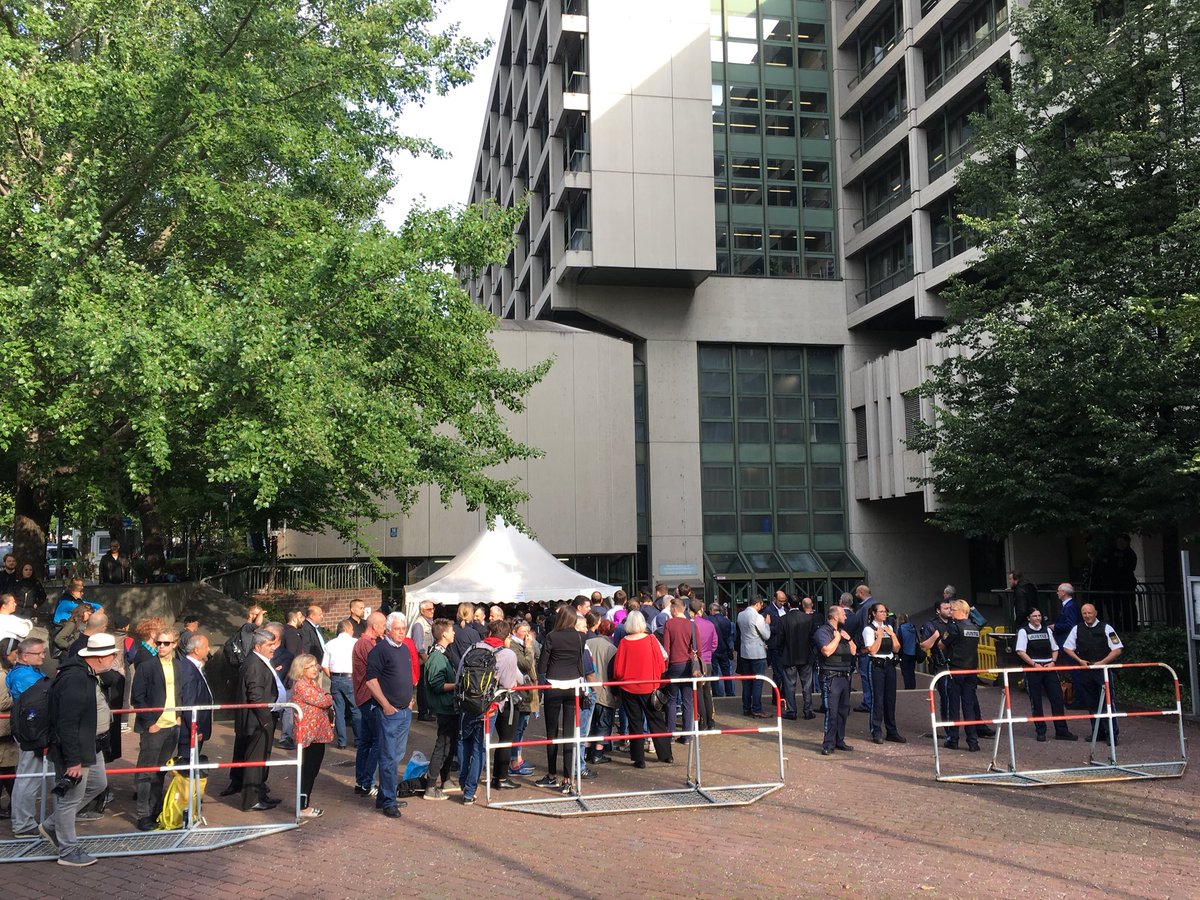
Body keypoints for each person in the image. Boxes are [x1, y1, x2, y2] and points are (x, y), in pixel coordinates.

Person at [39, 633, 119, 866]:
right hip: (77, 749)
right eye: (112, 655)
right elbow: (67, 723)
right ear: (101, 657)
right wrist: (73, 760)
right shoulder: (75, 678)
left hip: (91, 744)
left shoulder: (86, 673)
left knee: (98, 784)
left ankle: (52, 826)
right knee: (70, 798)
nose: (114, 659)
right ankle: (67, 850)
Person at [458, 619, 525, 802]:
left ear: (489, 633)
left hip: (466, 703)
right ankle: (469, 792)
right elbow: (508, 685)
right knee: (479, 748)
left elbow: (459, 676)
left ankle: (464, 782)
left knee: (464, 742)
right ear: (507, 636)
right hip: (489, 707)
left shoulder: (473, 648)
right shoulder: (508, 654)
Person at [131, 627, 185, 830]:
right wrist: (150, 724)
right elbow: (137, 698)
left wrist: (178, 716)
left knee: (161, 771)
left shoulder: (178, 665)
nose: (161, 646)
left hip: (172, 725)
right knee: (146, 771)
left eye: (166, 643)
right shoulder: (146, 666)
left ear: (174, 644)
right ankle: (142, 814)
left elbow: (179, 692)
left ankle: (155, 810)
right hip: (154, 726)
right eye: (158, 643)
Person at [365, 612, 416, 818]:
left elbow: (406, 675)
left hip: (404, 711)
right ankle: (389, 801)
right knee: (388, 757)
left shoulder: (404, 649)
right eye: (397, 629)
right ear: (388, 630)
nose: (401, 632)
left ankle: (385, 796)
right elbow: (371, 681)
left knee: (397, 756)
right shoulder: (380, 650)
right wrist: (385, 704)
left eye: (403, 628)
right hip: (389, 712)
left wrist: (410, 699)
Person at [535, 604, 589, 793]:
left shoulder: (551, 636)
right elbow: (580, 662)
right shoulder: (581, 637)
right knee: (569, 733)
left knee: (552, 733)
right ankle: (568, 778)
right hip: (573, 685)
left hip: (553, 684)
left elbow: (542, 666)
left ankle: (551, 775)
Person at [230, 628, 285, 812]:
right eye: (269, 645)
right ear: (258, 646)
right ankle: (251, 800)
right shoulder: (254, 663)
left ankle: (260, 794)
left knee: (261, 760)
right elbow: (255, 695)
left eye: (273, 644)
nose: (273, 648)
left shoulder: (261, 660)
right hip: (258, 721)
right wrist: (266, 719)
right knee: (255, 760)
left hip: (264, 718)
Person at [611, 610, 672, 767]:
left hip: (628, 687)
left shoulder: (624, 642)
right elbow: (660, 662)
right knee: (656, 721)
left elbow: (618, 669)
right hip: (649, 686)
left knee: (635, 723)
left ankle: (639, 759)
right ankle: (666, 755)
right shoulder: (651, 639)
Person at [1062, 603, 1123, 744]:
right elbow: (1067, 647)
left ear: (1095, 613)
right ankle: (1098, 733)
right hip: (1086, 669)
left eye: (1089, 612)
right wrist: (1079, 660)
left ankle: (1112, 734)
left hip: (1102, 670)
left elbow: (1117, 649)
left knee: (1107, 702)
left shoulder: (1107, 628)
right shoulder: (1077, 629)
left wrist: (1102, 662)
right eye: (1084, 613)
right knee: (1091, 703)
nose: (1087, 615)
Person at [7, 638, 49, 837]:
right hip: (31, 730)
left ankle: (22, 821)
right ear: (25, 656)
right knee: (28, 777)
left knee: (29, 776)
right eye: (38, 653)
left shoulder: (28, 672)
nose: (43, 656)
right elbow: (43, 698)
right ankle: (23, 824)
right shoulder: (24, 676)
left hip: (32, 728)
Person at [1014, 608, 1076, 742]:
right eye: (1034, 616)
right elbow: (1020, 651)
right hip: (1033, 670)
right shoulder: (1024, 631)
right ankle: (1040, 731)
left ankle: (1061, 730)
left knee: (1057, 699)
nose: (1037, 618)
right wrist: (1034, 664)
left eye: (1039, 615)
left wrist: (1053, 662)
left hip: (1049, 668)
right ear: (1028, 618)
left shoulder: (1047, 630)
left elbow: (1055, 649)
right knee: (1036, 701)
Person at [289, 653, 333, 818]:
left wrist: (326, 697)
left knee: (313, 770)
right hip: (308, 735)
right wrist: (327, 697)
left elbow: (324, 698)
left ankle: (304, 804)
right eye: (310, 667)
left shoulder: (312, 683)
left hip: (317, 734)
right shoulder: (301, 686)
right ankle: (303, 807)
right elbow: (324, 700)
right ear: (301, 669)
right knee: (308, 771)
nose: (315, 669)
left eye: (315, 665)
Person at [421, 619, 459, 800]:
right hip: (444, 707)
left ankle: (446, 779)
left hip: (449, 706)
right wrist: (458, 685)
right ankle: (430, 785)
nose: (454, 633)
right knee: (442, 745)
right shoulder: (437, 657)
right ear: (444, 634)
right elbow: (437, 685)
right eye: (451, 631)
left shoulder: (443, 654)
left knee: (450, 744)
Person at [351, 611, 387, 797]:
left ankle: (361, 781)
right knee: (378, 741)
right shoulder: (366, 644)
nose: (385, 628)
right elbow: (379, 669)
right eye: (383, 625)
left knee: (365, 742)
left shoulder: (366, 643)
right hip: (369, 697)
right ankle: (367, 782)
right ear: (375, 626)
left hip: (364, 697)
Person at [939, 599, 982, 752]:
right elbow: (982, 620)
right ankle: (973, 742)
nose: (951, 612)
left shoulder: (954, 627)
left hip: (956, 669)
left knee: (954, 706)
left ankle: (953, 739)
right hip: (971, 670)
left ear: (961, 611)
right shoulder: (975, 627)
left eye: (953, 610)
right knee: (969, 706)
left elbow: (942, 644)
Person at [862, 602, 906, 744]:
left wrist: (892, 634)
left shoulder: (889, 627)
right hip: (877, 666)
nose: (884, 614)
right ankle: (876, 731)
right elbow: (872, 650)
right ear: (874, 614)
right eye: (880, 611)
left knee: (890, 699)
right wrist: (880, 636)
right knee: (878, 699)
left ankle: (892, 731)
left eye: (885, 611)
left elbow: (896, 648)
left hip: (889, 665)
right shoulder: (869, 629)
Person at [815, 605, 856, 755]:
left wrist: (848, 638)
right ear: (835, 616)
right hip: (830, 677)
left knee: (843, 711)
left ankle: (839, 740)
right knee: (831, 712)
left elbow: (854, 651)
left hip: (845, 676)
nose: (846, 616)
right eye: (843, 614)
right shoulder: (822, 632)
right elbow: (826, 651)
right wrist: (838, 638)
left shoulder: (843, 632)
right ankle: (828, 743)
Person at [661, 597, 698, 745]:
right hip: (689, 665)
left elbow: (666, 648)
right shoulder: (692, 625)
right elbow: (698, 648)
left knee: (671, 700)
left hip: (674, 665)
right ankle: (687, 735)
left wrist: (665, 667)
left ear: (674, 609)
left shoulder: (669, 624)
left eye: (671, 608)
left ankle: (670, 733)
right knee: (688, 701)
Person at [506, 618, 539, 778]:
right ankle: (514, 761)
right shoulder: (513, 646)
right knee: (517, 728)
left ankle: (517, 758)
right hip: (520, 693)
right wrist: (529, 647)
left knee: (522, 727)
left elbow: (536, 655)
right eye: (523, 631)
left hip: (528, 691)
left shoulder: (524, 644)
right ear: (514, 632)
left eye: (528, 631)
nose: (526, 635)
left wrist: (531, 645)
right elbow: (526, 664)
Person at [322, 619, 359, 749]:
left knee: (339, 711)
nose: (353, 631)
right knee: (356, 710)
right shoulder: (356, 642)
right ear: (347, 629)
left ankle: (342, 742)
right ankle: (358, 740)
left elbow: (324, 665)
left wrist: (332, 677)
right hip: (351, 678)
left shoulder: (329, 644)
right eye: (352, 629)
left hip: (336, 678)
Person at [919, 598, 954, 737]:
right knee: (946, 697)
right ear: (938, 611)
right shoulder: (931, 625)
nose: (949, 611)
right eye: (946, 608)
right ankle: (948, 729)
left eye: (950, 608)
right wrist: (935, 636)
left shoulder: (954, 622)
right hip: (941, 665)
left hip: (955, 664)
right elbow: (924, 646)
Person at [585, 618, 619, 762]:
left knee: (589, 723)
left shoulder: (587, 643)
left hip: (587, 688)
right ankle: (598, 754)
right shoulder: (612, 649)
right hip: (605, 690)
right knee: (603, 723)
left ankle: (586, 752)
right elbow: (613, 672)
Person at [177, 631, 214, 758]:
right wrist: (195, 728)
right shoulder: (188, 669)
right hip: (191, 729)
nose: (208, 649)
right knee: (187, 761)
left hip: (197, 726)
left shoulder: (195, 666)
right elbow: (188, 701)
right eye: (206, 647)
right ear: (196, 650)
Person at [781, 596, 817, 720]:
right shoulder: (808, 619)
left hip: (789, 655)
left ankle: (791, 711)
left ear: (788, 604)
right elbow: (813, 638)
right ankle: (808, 710)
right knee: (807, 685)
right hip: (805, 655)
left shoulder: (783, 619)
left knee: (790, 685)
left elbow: (780, 639)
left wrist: (781, 652)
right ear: (800, 604)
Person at [736, 596, 771, 718]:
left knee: (747, 681)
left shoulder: (740, 615)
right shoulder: (758, 617)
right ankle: (756, 708)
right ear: (757, 604)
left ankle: (746, 707)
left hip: (745, 652)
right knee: (758, 682)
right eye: (761, 605)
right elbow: (766, 635)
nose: (761, 607)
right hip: (757, 653)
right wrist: (767, 624)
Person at [1052, 583, 1085, 708]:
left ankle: (1080, 700)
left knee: (1075, 671)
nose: (1057, 593)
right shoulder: (1069, 606)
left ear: (1064, 592)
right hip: (1067, 642)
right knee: (1075, 671)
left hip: (1069, 643)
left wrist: (1056, 627)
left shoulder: (1070, 606)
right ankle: (1079, 698)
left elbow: (1071, 625)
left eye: (1058, 591)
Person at [0, 638, 20, 820]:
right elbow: (2, 702)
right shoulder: (2, 676)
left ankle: (15, 807)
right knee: (8, 771)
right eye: (15, 653)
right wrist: (20, 696)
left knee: (7, 771)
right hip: (3, 732)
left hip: (5, 732)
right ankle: (17, 807)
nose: (17, 657)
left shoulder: (6, 673)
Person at [848, 584, 875, 714]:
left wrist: (864, 648)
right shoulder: (873, 604)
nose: (855, 595)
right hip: (871, 647)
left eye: (857, 593)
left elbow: (865, 627)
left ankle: (868, 702)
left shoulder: (865, 607)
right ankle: (871, 701)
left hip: (866, 648)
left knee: (866, 676)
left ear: (861, 593)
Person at [410, 601, 436, 722]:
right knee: (423, 687)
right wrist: (427, 660)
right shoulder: (419, 625)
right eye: (429, 609)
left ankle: (428, 711)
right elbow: (418, 646)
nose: (432, 611)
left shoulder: (430, 622)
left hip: (428, 659)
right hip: (423, 661)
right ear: (422, 611)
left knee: (428, 686)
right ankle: (423, 712)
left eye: (433, 608)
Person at [707, 602, 735, 697]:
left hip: (713, 649)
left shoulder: (708, 620)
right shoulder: (727, 621)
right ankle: (730, 692)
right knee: (726, 672)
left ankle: (717, 693)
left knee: (714, 673)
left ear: (711, 610)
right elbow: (729, 637)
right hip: (724, 649)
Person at [897, 614, 918, 690]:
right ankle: (913, 687)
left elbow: (899, 641)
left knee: (905, 672)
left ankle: (908, 687)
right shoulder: (912, 627)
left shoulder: (900, 628)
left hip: (904, 653)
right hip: (913, 652)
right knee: (912, 672)